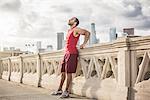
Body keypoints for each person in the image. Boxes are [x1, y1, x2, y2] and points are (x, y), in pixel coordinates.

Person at [52, 17, 90, 98]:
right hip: (66, 54)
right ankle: (59, 89)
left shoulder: (76, 29)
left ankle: (66, 91)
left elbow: (87, 33)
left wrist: (84, 44)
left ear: (75, 22)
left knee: (69, 73)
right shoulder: (69, 30)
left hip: (72, 53)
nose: (69, 20)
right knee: (62, 73)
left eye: (71, 19)